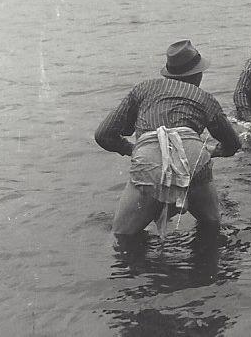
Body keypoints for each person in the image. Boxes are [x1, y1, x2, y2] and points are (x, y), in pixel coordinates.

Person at [95, 39, 241, 238]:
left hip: (148, 157)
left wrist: (134, 149)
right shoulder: (205, 98)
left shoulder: (143, 89)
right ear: (197, 75)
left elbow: (103, 134)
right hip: (191, 155)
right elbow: (234, 144)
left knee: (121, 235)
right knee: (213, 226)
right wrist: (214, 151)